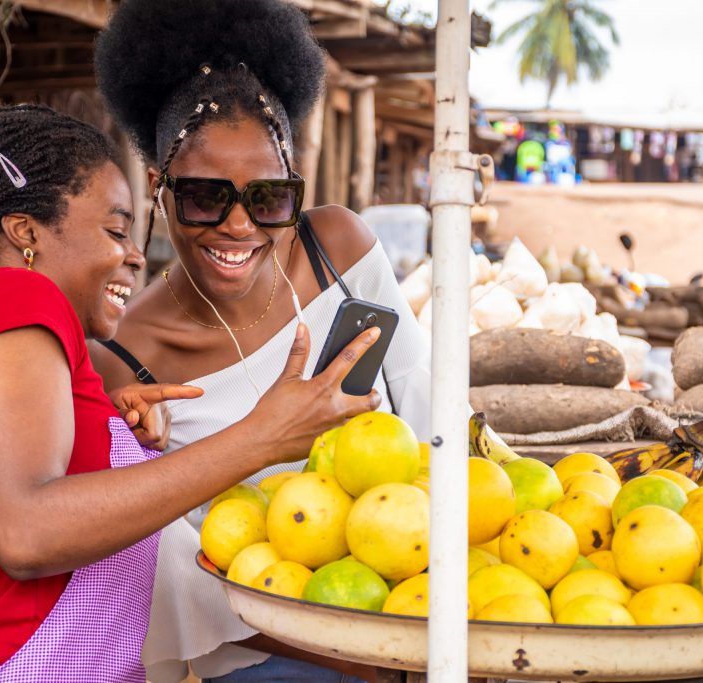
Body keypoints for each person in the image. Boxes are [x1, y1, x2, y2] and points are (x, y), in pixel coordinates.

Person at [0, 104, 381, 682]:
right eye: (116, 230)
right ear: (25, 233)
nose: (137, 255)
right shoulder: (15, 296)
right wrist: (259, 439)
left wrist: (104, 435)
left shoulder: (7, 325)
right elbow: (25, 532)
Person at [90, 1, 433, 681]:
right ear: (159, 187)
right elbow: (174, 575)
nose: (239, 227)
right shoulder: (124, 354)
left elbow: (429, 414)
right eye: (204, 198)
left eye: (270, 198)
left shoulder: (339, 250)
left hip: (408, 605)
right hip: (259, 653)